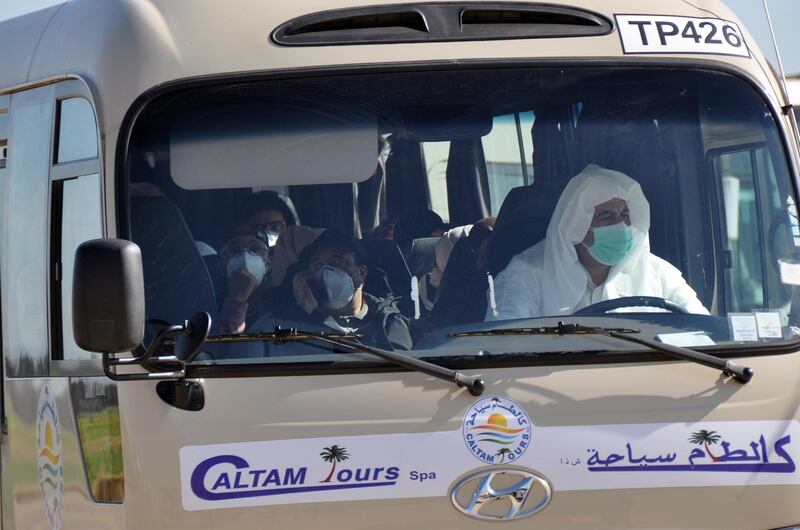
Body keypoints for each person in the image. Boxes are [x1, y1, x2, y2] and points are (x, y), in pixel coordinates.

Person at [486, 164, 708, 320]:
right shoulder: (525, 274)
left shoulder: (657, 273)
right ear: (576, 227)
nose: (620, 225)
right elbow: (504, 350)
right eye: (607, 217)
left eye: (625, 214)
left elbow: (706, 332)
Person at [269, 228, 413, 350]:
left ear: (362, 273)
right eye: (318, 266)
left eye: (337, 261)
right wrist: (309, 313)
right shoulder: (282, 325)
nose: (327, 272)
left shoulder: (390, 320)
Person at [217, 226, 272, 333]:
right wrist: (237, 299)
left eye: (255, 249)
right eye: (234, 250)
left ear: (269, 263)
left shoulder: (280, 301)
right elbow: (221, 344)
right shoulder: (210, 305)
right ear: (220, 266)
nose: (245, 256)